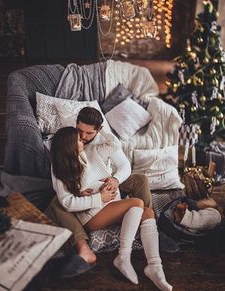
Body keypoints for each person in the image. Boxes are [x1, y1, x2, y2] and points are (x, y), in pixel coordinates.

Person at [50, 126, 172, 290]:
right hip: (92, 214)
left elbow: (84, 185)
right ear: (69, 145)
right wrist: (98, 197)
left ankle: (155, 266)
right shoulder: (61, 167)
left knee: (148, 212)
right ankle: (123, 257)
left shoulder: (83, 155)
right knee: (137, 203)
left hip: (103, 204)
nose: (83, 139)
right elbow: (67, 201)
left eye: (87, 134)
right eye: (79, 138)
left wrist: (98, 188)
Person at [49, 107, 152, 266]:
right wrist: (88, 194)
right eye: (80, 131)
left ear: (99, 130)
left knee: (141, 180)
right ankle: (83, 245)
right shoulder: (68, 143)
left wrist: (115, 180)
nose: (83, 137)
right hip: (93, 195)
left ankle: (147, 221)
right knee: (57, 200)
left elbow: (124, 165)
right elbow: (72, 190)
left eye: (89, 133)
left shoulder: (103, 142)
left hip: (107, 183)